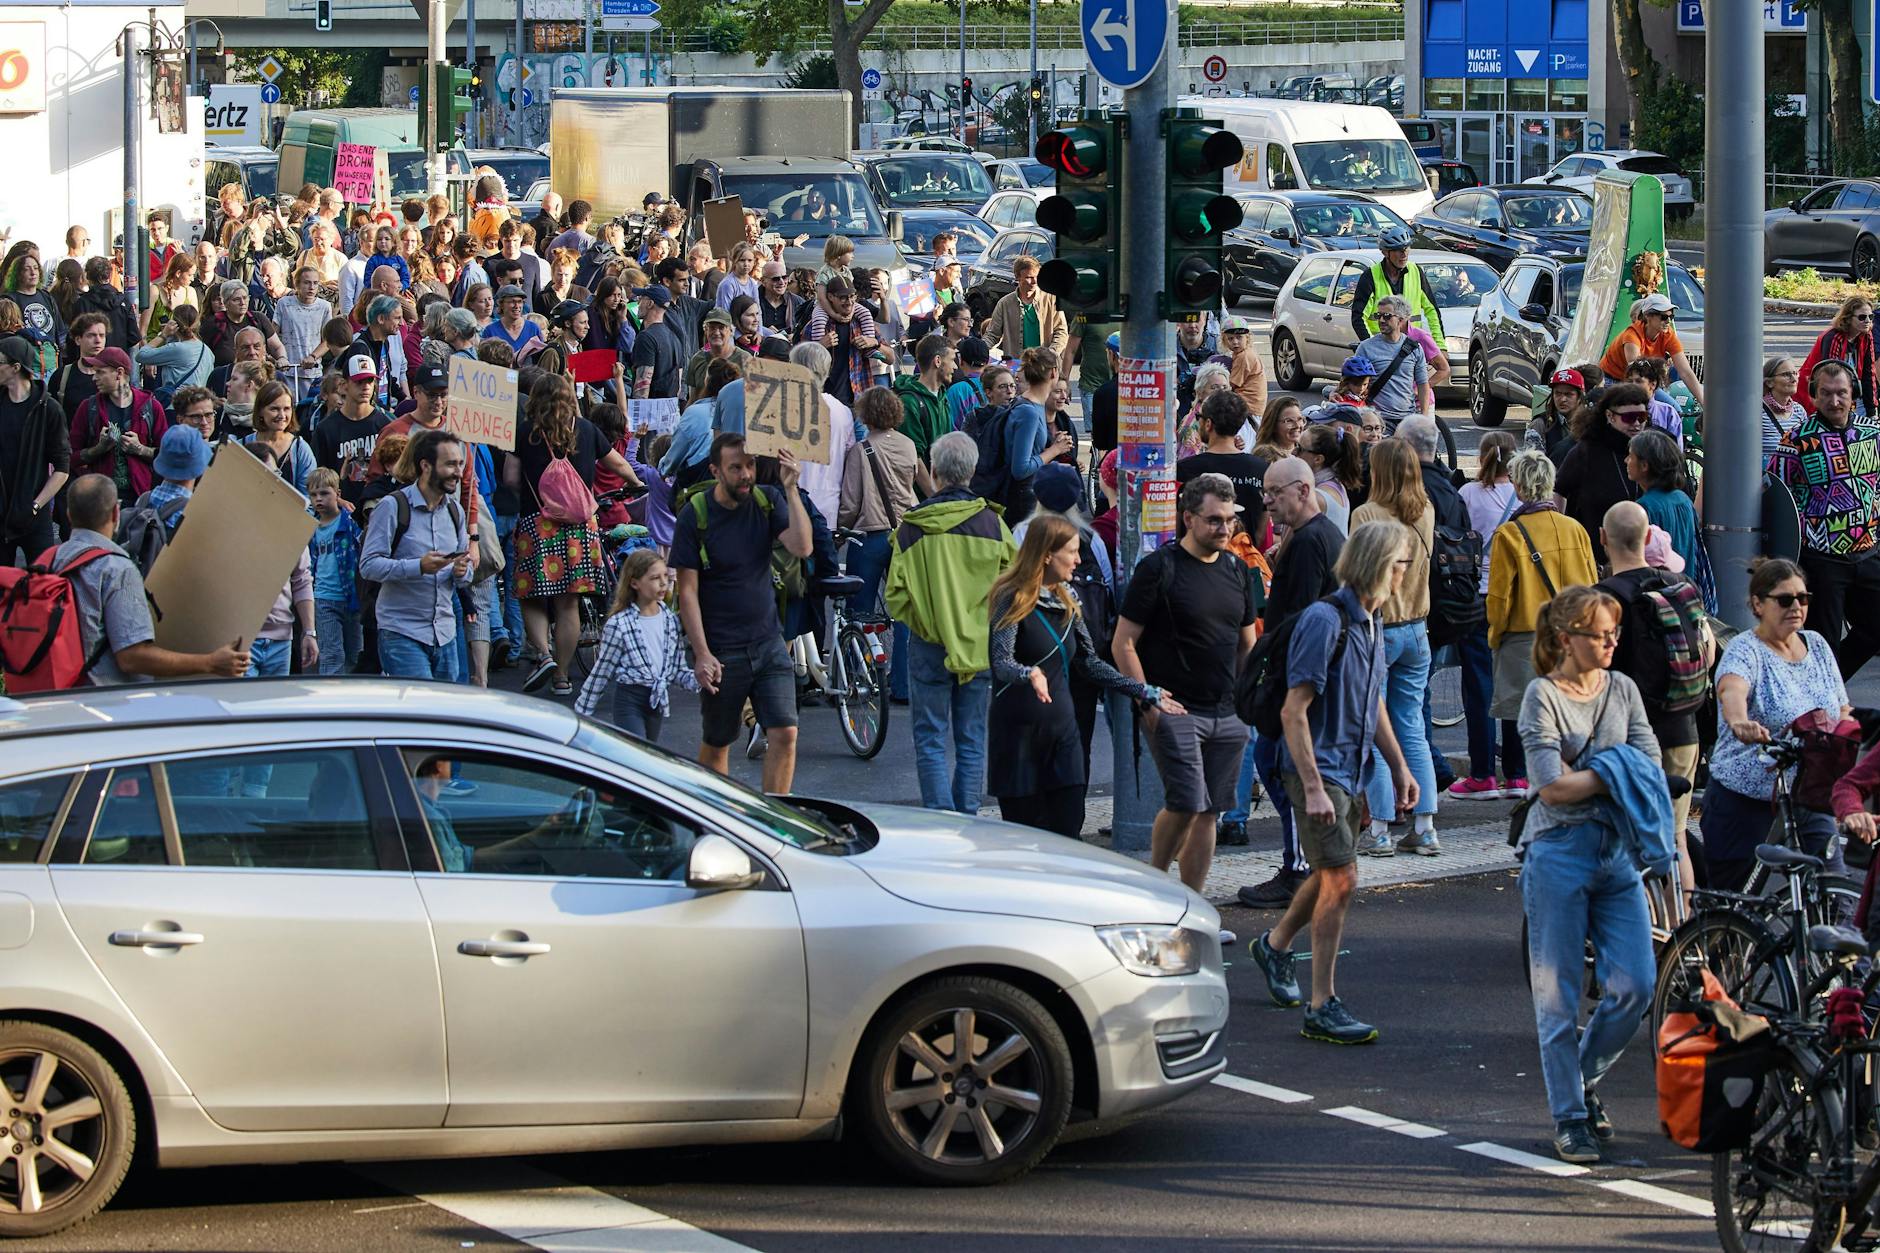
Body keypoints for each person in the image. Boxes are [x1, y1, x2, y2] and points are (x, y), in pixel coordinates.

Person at [1248, 519, 1418, 1045]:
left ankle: (1274, 948)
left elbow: (1376, 701)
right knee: (1342, 879)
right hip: (1317, 770)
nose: (1405, 575)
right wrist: (1315, 785)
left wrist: (1399, 765)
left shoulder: (1372, 620)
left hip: (1350, 767)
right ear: (1377, 565)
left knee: (1327, 875)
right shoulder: (1326, 621)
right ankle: (1322, 1005)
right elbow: (1294, 711)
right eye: (1400, 565)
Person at [1516, 584, 1665, 1165]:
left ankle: (1578, 1081)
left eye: (1614, 634)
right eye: (1600, 634)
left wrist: (1601, 767)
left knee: (1636, 986)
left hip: (1617, 851)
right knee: (1557, 997)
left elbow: (1649, 761)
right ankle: (1570, 1116)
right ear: (1565, 638)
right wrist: (1617, 764)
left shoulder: (1623, 689)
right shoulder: (1541, 696)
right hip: (1557, 849)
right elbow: (1550, 786)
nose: (1610, 642)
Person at [988, 514, 1179, 837]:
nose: (1078, 560)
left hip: (1063, 731)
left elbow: (1090, 663)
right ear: (1047, 554)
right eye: (1072, 552)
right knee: (1023, 837)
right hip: (1018, 734)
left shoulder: (1068, 598)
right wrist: (1029, 673)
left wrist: (1144, 691)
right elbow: (1001, 661)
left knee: (1068, 827)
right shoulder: (1012, 597)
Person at [1114, 474, 1259, 894]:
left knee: (1210, 810)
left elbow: (1246, 643)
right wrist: (1149, 700)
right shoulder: (1160, 568)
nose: (1224, 528)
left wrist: (1245, 700)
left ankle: (1190, 907)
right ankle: (1155, 888)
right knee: (1186, 802)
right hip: (1174, 707)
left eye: (1229, 520)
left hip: (1226, 710)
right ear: (1188, 519)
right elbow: (1123, 642)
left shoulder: (1236, 567)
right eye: (1214, 520)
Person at [670, 433, 814, 791]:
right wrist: (701, 654)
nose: (746, 474)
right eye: (736, 468)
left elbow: (802, 546)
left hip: (768, 642)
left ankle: (775, 821)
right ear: (715, 470)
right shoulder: (696, 515)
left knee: (785, 732)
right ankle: (713, 822)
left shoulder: (769, 500)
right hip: (722, 650)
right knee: (719, 743)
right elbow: (686, 590)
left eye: (750, 465)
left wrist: (792, 490)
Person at [1703, 557, 1852, 891]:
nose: (1796, 606)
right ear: (1758, 604)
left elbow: (1842, 708)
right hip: (1745, 796)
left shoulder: (1817, 645)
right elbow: (1732, 689)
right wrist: (1740, 722)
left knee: (1833, 890)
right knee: (1737, 901)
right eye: (1785, 600)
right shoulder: (1746, 649)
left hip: (1808, 790)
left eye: (1803, 598)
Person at [1233, 455, 1343, 909]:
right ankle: (1307, 862)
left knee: (1282, 767)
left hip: (1298, 679)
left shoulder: (1310, 542)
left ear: (1303, 490)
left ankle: (1301, 868)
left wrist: (1273, 681)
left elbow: (1293, 621)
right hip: (1305, 675)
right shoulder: (1319, 536)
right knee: (1275, 763)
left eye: (1274, 493)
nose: (1267, 502)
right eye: (1266, 493)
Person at [886, 430, 1015, 814]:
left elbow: (897, 598)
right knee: (971, 739)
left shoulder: (910, 528)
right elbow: (1012, 589)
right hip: (977, 646)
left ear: (935, 473)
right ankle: (967, 818)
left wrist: (927, 623)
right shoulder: (993, 525)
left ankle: (940, 820)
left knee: (930, 739)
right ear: (971, 472)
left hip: (929, 645)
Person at [1596, 500, 1712, 903]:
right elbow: (1707, 653)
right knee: (1675, 835)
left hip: (1627, 736)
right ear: (1648, 538)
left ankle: (1638, 929)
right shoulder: (1681, 588)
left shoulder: (1604, 600)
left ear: (1603, 539)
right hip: (1684, 728)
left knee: (1628, 838)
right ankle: (1683, 930)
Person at [49, 475, 250, 684]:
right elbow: (132, 657)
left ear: (69, 515)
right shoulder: (117, 569)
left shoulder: (49, 560)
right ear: (115, 513)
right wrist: (210, 663)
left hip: (57, 693)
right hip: (104, 701)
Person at [508, 375, 638, 696]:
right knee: (569, 604)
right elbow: (618, 463)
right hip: (581, 529)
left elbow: (510, 478)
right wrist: (635, 482)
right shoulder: (587, 430)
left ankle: (543, 654)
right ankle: (563, 676)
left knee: (532, 596)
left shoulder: (524, 433)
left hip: (537, 524)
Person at [1350, 439, 1441, 856]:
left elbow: (1356, 577)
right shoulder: (1426, 512)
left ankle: (1381, 828)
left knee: (1375, 727)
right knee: (1412, 727)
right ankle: (1424, 825)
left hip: (1380, 628)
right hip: (1418, 629)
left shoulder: (1366, 515)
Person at [1768, 360, 1880, 679]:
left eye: (1842, 393)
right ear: (1814, 396)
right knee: (1823, 643)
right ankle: (1822, 701)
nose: (1835, 401)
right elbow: (1778, 493)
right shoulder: (1797, 439)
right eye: (1827, 394)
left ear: (1853, 394)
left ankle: (1829, 684)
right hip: (1822, 559)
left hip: (1868, 551)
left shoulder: (1872, 433)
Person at [1487, 451, 1598, 754]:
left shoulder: (1509, 534)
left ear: (1519, 486)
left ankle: (1525, 781)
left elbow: (1500, 598)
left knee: (1526, 719)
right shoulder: (1574, 528)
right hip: (1572, 636)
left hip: (1525, 637)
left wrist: (1495, 636)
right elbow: (1591, 586)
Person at [357, 427, 473, 681]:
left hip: (445, 633)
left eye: (460, 464)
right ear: (426, 466)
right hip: (401, 632)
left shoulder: (455, 511)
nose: (458, 472)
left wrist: (462, 572)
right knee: (420, 713)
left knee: (443, 718)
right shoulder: (392, 506)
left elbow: (465, 571)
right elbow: (368, 565)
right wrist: (417, 566)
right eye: (450, 464)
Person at [1452, 430, 1524, 800]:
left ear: (1482, 458)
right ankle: (1517, 773)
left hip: (1476, 597)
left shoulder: (1467, 495)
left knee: (1478, 686)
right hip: (1512, 597)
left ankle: (1482, 772)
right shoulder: (1521, 497)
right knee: (1513, 684)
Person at [575, 549, 696, 743]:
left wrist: (700, 679)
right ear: (634, 583)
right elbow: (602, 671)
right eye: (655, 578)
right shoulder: (620, 624)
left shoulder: (670, 620)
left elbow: (676, 670)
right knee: (638, 751)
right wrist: (581, 712)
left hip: (655, 702)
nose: (664, 582)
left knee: (648, 756)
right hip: (629, 700)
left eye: (665, 575)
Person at [1555, 383, 1649, 567]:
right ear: (1609, 416)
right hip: (1595, 558)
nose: (1637, 423)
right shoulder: (1586, 451)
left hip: (1643, 556)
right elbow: (1558, 492)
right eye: (1629, 418)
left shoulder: (1649, 446)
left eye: (1642, 416)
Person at [0, 335, 70, 565]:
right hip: (1, 514)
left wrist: (35, 506)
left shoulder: (48, 409)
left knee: (42, 589)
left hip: (33, 518)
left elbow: (62, 468)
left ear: (15, 367)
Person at [69, 347, 167, 500]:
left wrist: (140, 449)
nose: (94, 378)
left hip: (140, 500)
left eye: (100, 372)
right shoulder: (88, 408)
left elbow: (167, 454)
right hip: (100, 501)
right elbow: (71, 457)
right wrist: (98, 449)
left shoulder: (151, 407)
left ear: (119, 373)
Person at [310, 353, 392, 508]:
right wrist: (337, 501)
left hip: (377, 509)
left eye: (370, 381)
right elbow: (317, 477)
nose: (366, 386)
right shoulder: (326, 429)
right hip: (339, 513)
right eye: (359, 381)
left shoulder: (385, 425)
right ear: (343, 384)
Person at [1598, 293, 1704, 410]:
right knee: (1632, 411)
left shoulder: (1668, 335)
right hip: (1613, 380)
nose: (1668, 321)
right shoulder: (1632, 335)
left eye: (1671, 317)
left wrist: (1703, 402)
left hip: (1644, 381)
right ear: (1648, 316)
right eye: (1664, 317)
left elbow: (1686, 372)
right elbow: (1635, 374)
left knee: (1674, 409)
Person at [1177, 391, 1267, 524]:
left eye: (1198, 416)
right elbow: (1264, 527)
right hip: (1248, 544)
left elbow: (1178, 524)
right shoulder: (1262, 468)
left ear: (1208, 424)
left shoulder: (1185, 469)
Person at [306, 466, 363, 675]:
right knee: (332, 654)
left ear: (337, 495)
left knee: (356, 653)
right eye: (314, 495)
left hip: (351, 597)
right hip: (324, 597)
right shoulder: (310, 526)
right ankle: (331, 699)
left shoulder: (348, 523)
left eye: (324, 493)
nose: (318, 499)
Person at [1350, 224, 1442, 340]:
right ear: (1385, 252)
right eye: (1398, 250)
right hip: (1382, 346)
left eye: (1406, 248)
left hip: (1411, 346)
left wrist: (1440, 345)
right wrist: (1372, 346)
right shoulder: (1370, 276)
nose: (1404, 254)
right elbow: (1358, 318)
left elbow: (1432, 310)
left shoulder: (1416, 272)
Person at [1627, 427, 1696, 575]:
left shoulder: (1644, 507)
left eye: (1631, 456)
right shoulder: (1683, 499)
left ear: (1645, 465)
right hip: (1686, 584)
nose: (1626, 460)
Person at [1353, 295, 1430, 421]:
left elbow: (1423, 384)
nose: (1382, 320)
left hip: (1407, 419)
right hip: (1377, 420)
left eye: (1387, 316)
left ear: (1401, 320)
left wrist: (1424, 416)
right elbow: (1352, 381)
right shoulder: (1366, 347)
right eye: (1379, 316)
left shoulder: (1414, 348)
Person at [1798, 294, 1877, 417]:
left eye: (1870, 316)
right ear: (1848, 318)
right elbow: (1830, 377)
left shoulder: (1866, 336)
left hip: (1844, 393)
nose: (1867, 321)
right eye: (1862, 317)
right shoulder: (1834, 337)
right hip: (1812, 393)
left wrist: (1872, 411)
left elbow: (1869, 373)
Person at [984, 256, 1068, 358]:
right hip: (1016, 365)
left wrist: (1051, 353)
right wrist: (979, 349)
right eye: (1029, 277)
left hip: (1044, 365)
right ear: (1017, 277)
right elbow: (992, 334)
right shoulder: (1005, 303)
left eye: (1037, 276)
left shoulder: (1051, 299)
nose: (1034, 281)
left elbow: (1061, 332)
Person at [244, 379, 316, 494]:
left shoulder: (300, 449)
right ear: (260, 411)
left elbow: (309, 498)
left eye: (287, 409)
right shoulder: (242, 446)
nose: (282, 415)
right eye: (274, 409)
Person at [892, 333, 955, 465]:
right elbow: (914, 457)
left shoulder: (942, 396)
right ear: (937, 361)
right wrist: (931, 486)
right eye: (952, 360)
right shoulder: (909, 402)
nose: (955, 367)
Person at [138, 305, 215, 405]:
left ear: (175, 324)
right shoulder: (208, 351)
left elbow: (141, 355)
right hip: (199, 405)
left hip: (176, 405)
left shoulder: (177, 348)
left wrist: (164, 335)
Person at [1296, 422, 1362, 535]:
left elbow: (1291, 540)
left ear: (1318, 459)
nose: (1294, 452)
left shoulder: (1316, 497)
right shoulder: (1335, 484)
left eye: (1300, 448)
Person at [682, 308, 751, 404]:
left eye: (721, 327)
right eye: (712, 328)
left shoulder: (745, 359)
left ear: (731, 331)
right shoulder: (697, 359)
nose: (716, 332)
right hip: (703, 417)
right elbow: (693, 398)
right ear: (706, 330)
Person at [630, 284, 685, 401]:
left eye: (641, 299)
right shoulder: (675, 338)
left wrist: (639, 416)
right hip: (669, 408)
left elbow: (643, 384)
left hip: (649, 412)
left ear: (650, 304)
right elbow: (678, 382)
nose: (638, 303)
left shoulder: (646, 338)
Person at [1526, 367, 1587, 464]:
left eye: (1568, 394)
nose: (1562, 399)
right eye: (1557, 393)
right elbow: (1532, 466)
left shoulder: (1591, 423)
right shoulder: (1540, 424)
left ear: (1579, 397)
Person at [1762, 356, 1808, 461]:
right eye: (1786, 374)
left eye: (1795, 373)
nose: (1794, 379)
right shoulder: (1757, 411)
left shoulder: (1799, 411)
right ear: (1769, 382)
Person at [1219, 314, 1267, 415]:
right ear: (1224, 340)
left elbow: (1232, 384)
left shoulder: (1243, 357)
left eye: (1239, 337)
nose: (1235, 342)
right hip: (1255, 405)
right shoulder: (1245, 353)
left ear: (1247, 338)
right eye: (1230, 339)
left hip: (1247, 406)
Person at [945, 336, 992, 429]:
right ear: (988, 361)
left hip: (966, 442)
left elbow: (950, 429)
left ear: (961, 361)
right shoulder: (999, 383)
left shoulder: (957, 391)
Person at [757, 259, 803, 338]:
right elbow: (742, 324)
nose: (782, 282)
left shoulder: (797, 302)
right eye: (775, 278)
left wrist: (796, 336)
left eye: (784, 277)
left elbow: (808, 327)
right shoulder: (753, 301)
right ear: (763, 281)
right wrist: (763, 330)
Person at [1252, 395, 1305, 464]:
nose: (1297, 425)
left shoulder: (1307, 449)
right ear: (1273, 425)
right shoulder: (1267, 456)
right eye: (1289, 421)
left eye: (1300, 419)